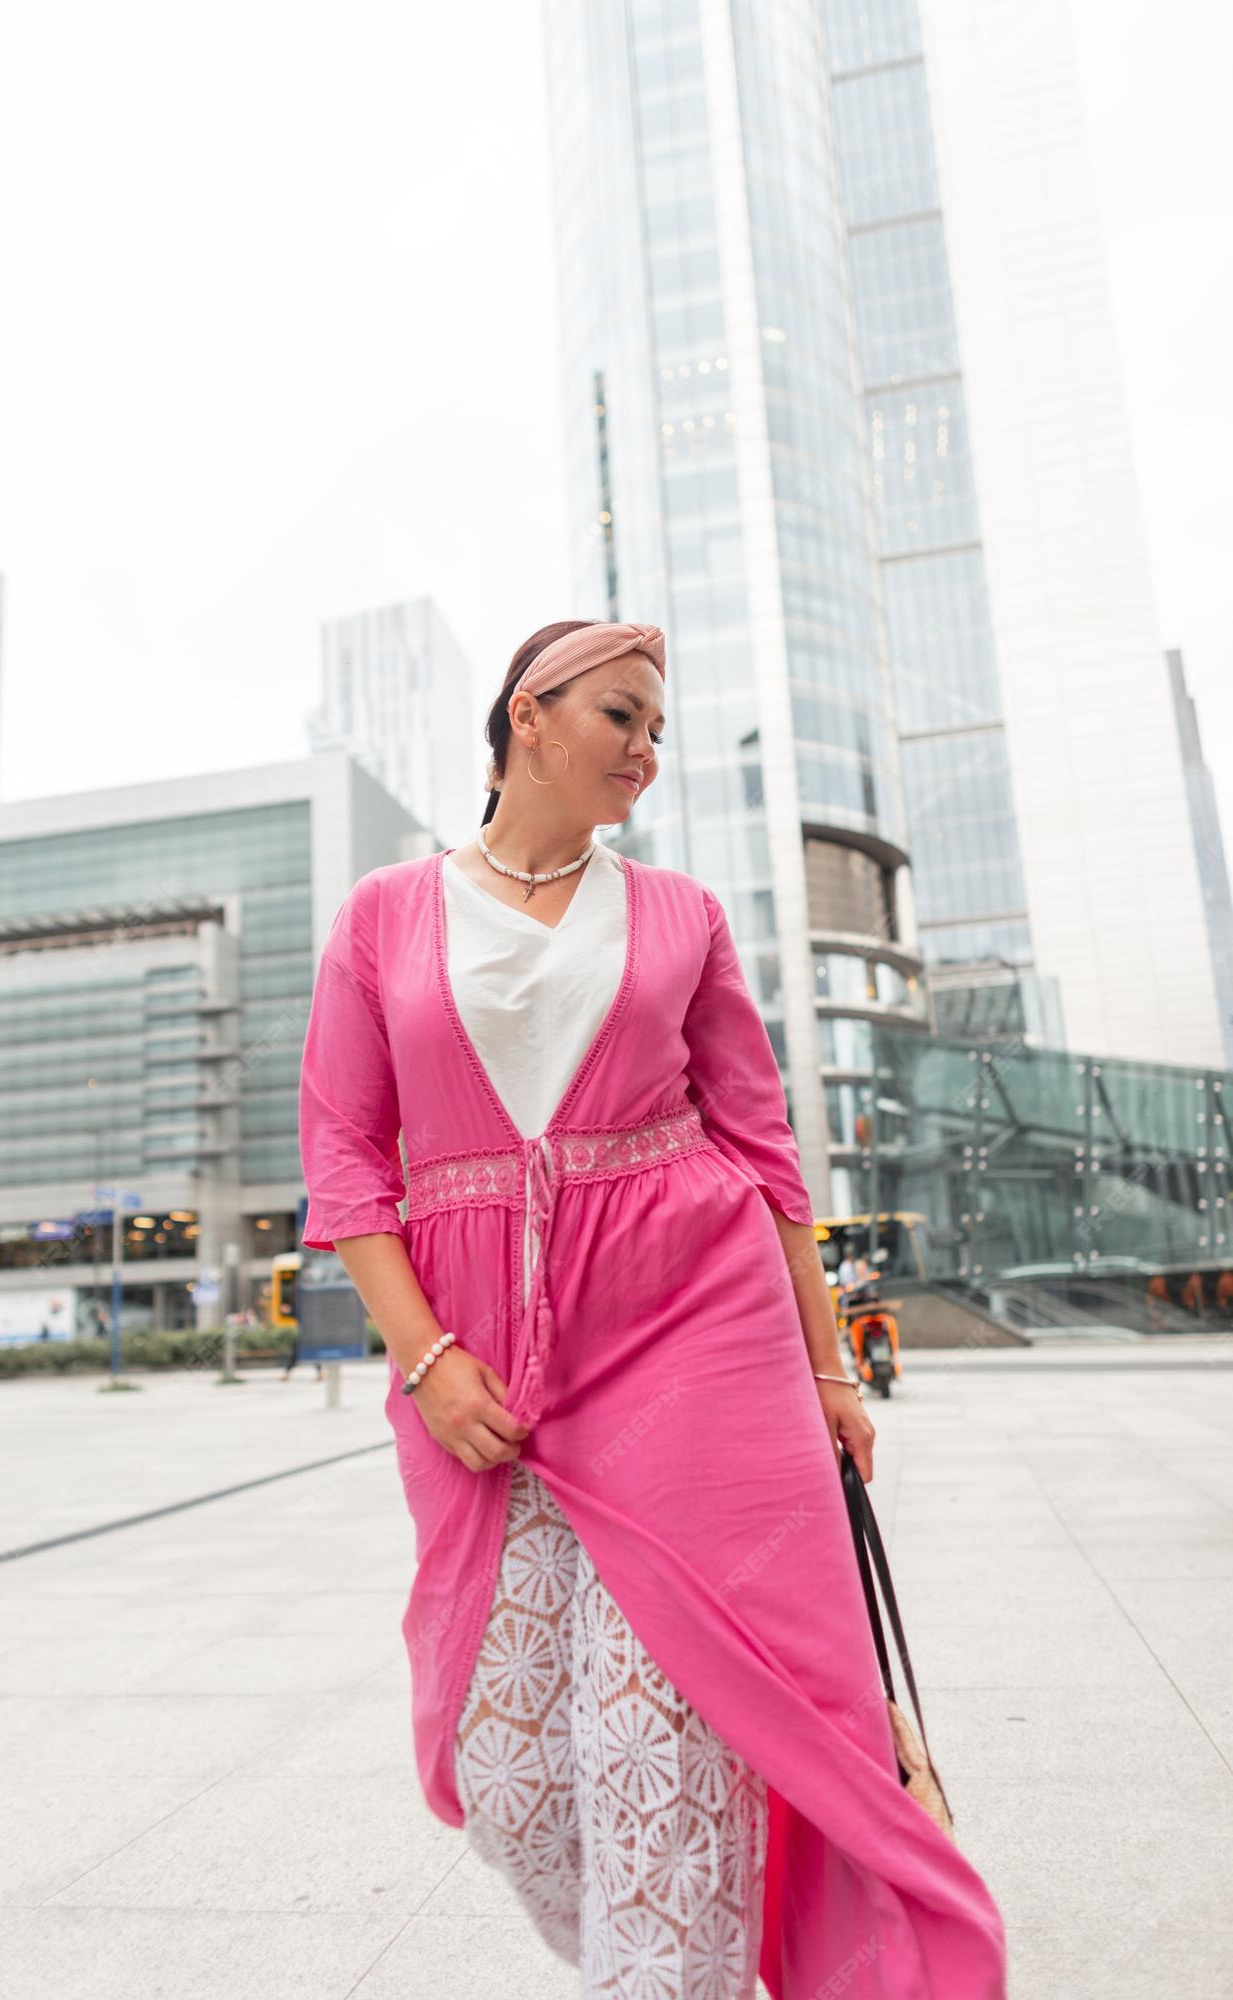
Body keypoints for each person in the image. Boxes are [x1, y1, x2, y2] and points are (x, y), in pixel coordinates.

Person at [298, 620, 1007, 1998]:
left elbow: (761, 1152)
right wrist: (426, 1356)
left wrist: (829, 1374)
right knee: (499, 1767)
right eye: (622, 717)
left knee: (652, 1760)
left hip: (696, 1337)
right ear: (531, 717)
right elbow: (340, 1157)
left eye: (658, 729)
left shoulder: (680, 916)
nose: (646, 750)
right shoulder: (383, 914)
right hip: (482, 1378)